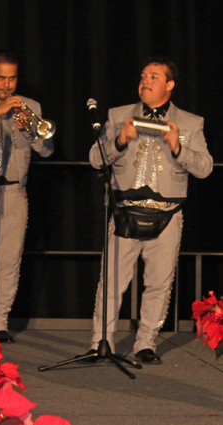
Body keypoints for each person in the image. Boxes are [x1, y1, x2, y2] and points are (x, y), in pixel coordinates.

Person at [87, 55, 212, 363]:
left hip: (167, 212)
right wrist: (118, 140)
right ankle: (100, 341)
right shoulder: (118, 115)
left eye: (154, 76)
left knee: (158, 282)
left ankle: (146, 342)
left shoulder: (190, 122)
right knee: (112, 279)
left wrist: (179, 147)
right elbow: (94, 158)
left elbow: (205, 168)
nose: (145, 81)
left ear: (170, 85)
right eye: (143, 75)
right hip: (125, 210)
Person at [0, 51, 54, 343]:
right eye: (1, 77)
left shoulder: (30, 106)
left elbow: (47, 149)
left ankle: (1, 322)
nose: (6, 84)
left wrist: (29, 130)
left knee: (9, 261)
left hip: (15, 189)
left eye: (12, 77)